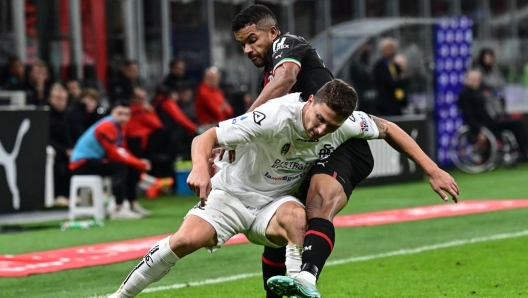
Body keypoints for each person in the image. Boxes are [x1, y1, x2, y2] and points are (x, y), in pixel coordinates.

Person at [231, 5, 459, 298]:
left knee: (317, 203)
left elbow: (288, 78)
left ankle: (308, 278)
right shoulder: (268, 81)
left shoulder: (287, 45)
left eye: (252, 39)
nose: (248, 49)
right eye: (242, 45)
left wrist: (433, 169)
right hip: (308, 152)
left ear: (272, 32)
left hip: (344, 144)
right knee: (279, 227)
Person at [108, 79, 378, 297]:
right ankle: (119, 296)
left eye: (331, 125)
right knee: (184, 241)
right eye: (320, 119)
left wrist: (423, 165)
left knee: (298, 217)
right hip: (230, 196)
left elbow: (388, 129)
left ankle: (300, 288)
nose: (322, 130)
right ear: (310, 102)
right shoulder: (274, 115)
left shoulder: (344, 123)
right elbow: (206, 137)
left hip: (272, 205)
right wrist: (201, 169)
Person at [69, 101, 152, 220]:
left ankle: (132, 203)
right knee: (120, 167)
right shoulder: (106, 126)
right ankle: (118, 207)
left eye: (126, 114)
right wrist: (140, 163)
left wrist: (138, 163)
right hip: (80, 164)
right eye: (120, 113)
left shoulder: (120, 127)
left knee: (131, 167)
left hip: (95, 160)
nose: (123, 117)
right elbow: (114, 154)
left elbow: (122, 150)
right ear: (112, 113)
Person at [458, 70, 528, 161]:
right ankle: (524, 151)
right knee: (517, 124)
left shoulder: (478, 92)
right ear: (466, 80)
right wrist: (479, 130)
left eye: (477, 79)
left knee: (518, 123)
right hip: (484, 126)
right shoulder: (465, 95)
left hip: (491, 121)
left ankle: (523, 149)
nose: (476, 82)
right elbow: (469, 116)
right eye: (473, 79)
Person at [47, 84, 73, 206]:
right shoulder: (45, 116)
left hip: (65, 150)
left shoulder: (68, 116)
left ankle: (75, 194)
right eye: (57, 99)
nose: (61, 102)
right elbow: (46, 139)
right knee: (60, 164)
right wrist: (64, 150)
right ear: (50, 99)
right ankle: (59, 195)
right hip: (51, 151)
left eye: (63, 99)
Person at [373, 38, 409, 116]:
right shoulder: (380, 65)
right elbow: (388, 82)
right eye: (389, 49)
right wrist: (399, 80)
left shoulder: (393, 64)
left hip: (397, 101)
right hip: (386, 102)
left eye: (393, 49)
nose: (391, 51)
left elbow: (404, 78)